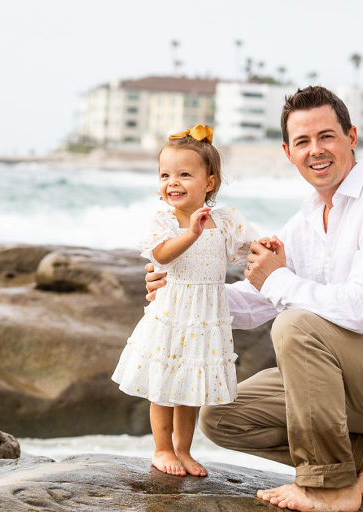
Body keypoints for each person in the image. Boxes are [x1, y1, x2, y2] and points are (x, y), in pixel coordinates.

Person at [146, 87, 363, 512]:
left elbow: (361, 312)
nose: (316, 151)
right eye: (303, 142)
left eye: (326, 136)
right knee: (222, 416)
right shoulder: (306, 220)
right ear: (288, 152)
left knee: (295, 323)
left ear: (352, 137)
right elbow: (258, 300)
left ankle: (328, 488)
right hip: (340, 380)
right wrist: (182, 296)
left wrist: (279, 278)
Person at [112, 124, 258, 478]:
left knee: (189, 389)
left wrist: (265, 248)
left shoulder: (224, 221)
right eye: (165, 174)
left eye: (184, 174)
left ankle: (184, 450)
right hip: (173, 314)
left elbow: (247, 251)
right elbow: (161, 255)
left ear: (209, 182)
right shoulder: (164, 219)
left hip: (205, 318)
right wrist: (191, 231)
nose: (172, 182)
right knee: (163, 386)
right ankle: (161, 450)